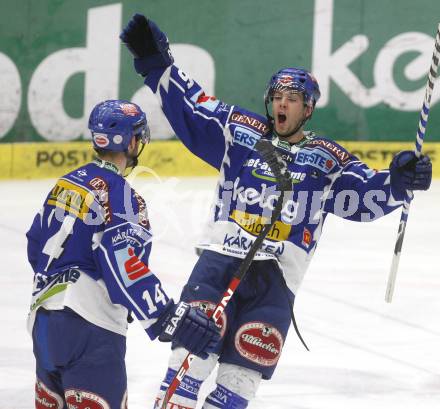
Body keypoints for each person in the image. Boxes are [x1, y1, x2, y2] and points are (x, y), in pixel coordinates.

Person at [120, 15, 433, 409]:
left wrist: (401, 180)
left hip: (276, 284)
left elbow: (367, 194)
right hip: (219, 266)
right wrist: (156, 63)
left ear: (308, 109)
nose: (283, 104)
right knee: (187, 366)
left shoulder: (327, 160)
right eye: (278, 97)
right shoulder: (239, 132)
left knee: (237, 385)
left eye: (294, 99)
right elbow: (193, 106)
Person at [26, 100, 220, 409]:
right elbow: (123, 265)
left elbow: (35, 243)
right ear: (131, 141)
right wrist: (167, 316)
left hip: (44, 322)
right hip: (90, 328)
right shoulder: (123, 197)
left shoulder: (64, 184)